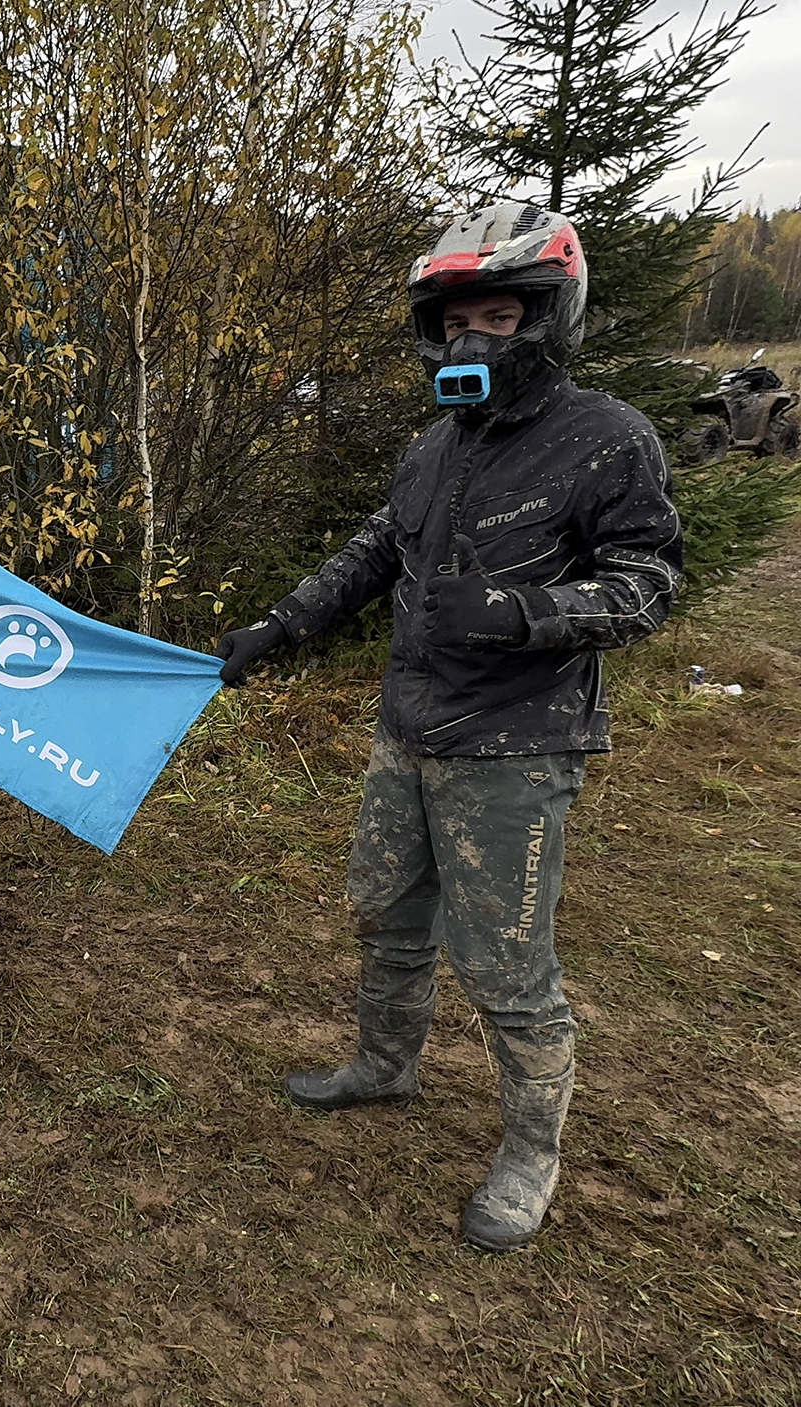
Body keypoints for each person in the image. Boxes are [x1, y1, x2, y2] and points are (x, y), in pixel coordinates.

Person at [214, 203, 681, 1252]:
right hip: (409, 728)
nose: (475, 340)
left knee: (506, 962)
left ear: (549, 319)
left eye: (502, 317)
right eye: (460, 320)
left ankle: (531, 1153)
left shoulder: (607, 441)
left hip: (516, 746)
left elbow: (649, 584)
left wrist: (526, 615)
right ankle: (387, 1064)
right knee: (384, 910)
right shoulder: (433, 446)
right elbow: (377, 549)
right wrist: (278, 627)